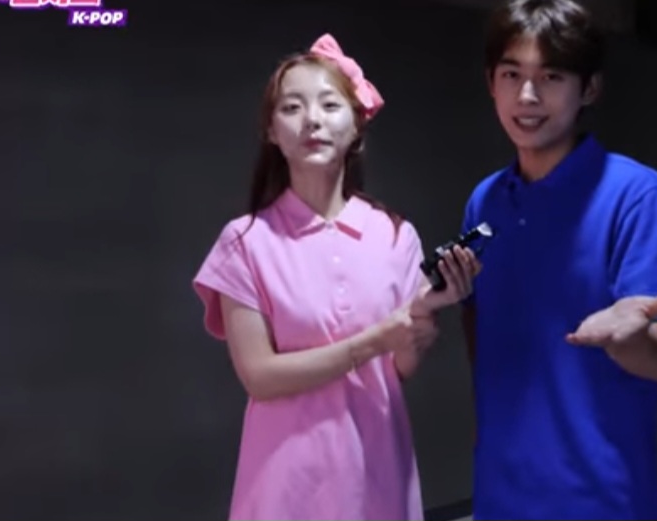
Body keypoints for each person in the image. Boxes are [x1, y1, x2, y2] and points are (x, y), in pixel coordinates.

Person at [192, 33, 480, 521]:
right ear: (271, 131)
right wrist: (373, 341)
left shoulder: (396, 235)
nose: (312, 120)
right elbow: (259, 377)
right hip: (285, 483)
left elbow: (397, 371)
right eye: (292, 107)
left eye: (329, 105)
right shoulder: (244, 241)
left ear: (356, 127)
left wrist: (422, 322)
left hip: (377, 473)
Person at [459, 0, 657, 520]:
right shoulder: (486, 200)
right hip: (501, 486)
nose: (527, 95)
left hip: (600, 494)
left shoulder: (638, 196)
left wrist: (631, 338)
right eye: (511, 74)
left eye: (551, 76)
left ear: (588, 88)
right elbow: (477, 313)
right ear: (491, 83)